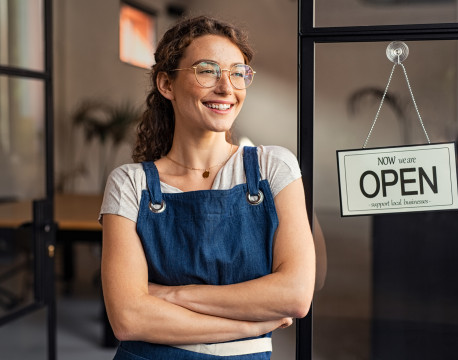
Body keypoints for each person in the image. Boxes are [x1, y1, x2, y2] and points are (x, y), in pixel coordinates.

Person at [99, 15, 316, 360]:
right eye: (207, 70)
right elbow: (128, 319)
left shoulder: (273, 167)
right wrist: (251, 325)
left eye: (238, 73)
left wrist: (172, 296)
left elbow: (295, 295)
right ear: (166, 85)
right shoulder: (129, 184)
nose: (226, 88)